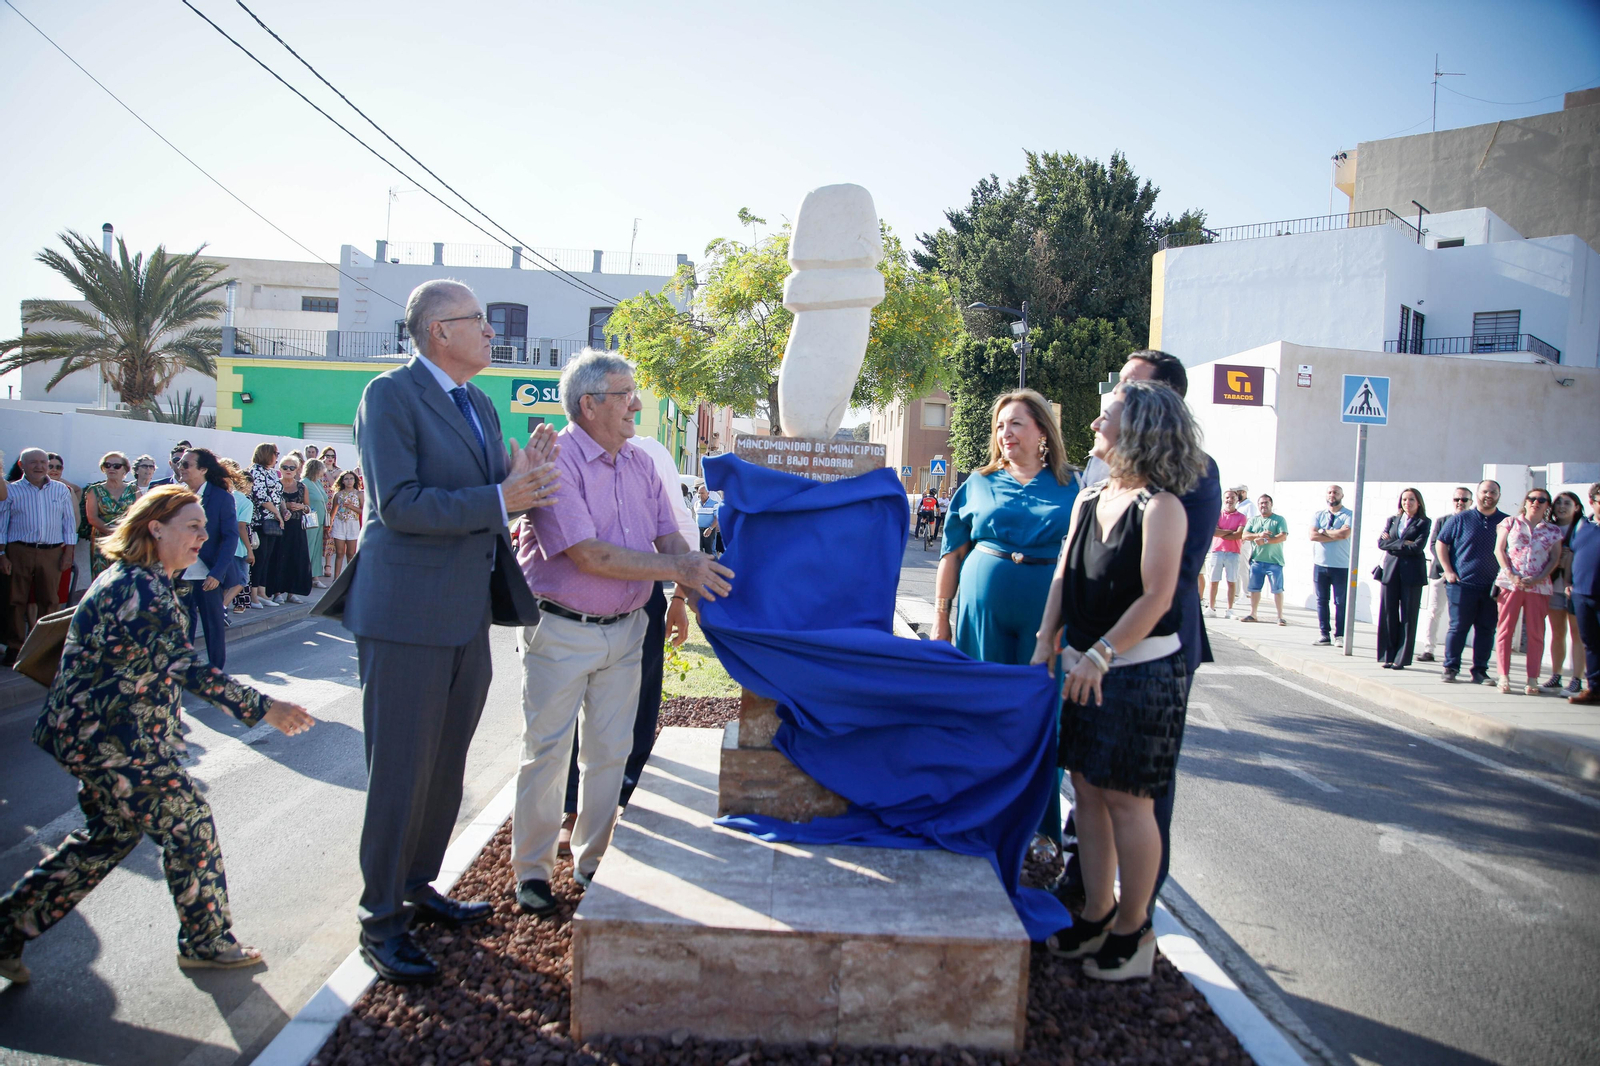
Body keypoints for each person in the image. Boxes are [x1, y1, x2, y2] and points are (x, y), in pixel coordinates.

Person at [0, 486, 314, 984]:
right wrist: (265, 708)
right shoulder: (142, 589)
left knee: (108, 838)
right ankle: (207, 941)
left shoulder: (136, 578)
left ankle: (6, 931)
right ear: (155, 528)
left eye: (204, 528)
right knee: (189, 821)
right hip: (113, 741)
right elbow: (185, 667)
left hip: (93, 735)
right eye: (192, 527)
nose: (203, 537)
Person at [342, 279, 559, 985]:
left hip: (464, 612)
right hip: (405, 614)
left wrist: (523, 476)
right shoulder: (390, 396)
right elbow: (399, 504)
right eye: (481, 322)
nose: (494, 333)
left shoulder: (480, 404)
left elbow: (495, 499)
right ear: (439, 330)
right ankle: (380, 920)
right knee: (401, 771)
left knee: (442, 767)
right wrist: (502, 495)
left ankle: (416, 886)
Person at [513, 349, 730, 915]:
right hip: (561, 631)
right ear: (589, 405)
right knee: (548, 753)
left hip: (628, 630)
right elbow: (590, 555)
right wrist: (679, 571)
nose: (637, 403)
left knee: (611, 751)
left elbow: (670, 539)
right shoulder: (554, 461)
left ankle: (591, 863)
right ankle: (532, 872)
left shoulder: (639, 463)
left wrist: (695, 580)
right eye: (625, 394)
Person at [1031, 379, 1206, 981]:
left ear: (1135, 430)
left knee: (1131, 804)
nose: (1093, 426)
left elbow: (1157, 597)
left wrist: (1100, 653)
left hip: (1138, 674)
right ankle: (1098, 913)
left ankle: (1136, 933)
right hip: (1082, 668)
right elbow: (1062, 574)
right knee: (1088, 794)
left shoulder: (1162, 508)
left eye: (1103, 418)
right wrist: (1045, 641)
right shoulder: (1089, 498)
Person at [934, 388, 1079, 849]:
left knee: (1039, 716)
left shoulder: (1071, 487)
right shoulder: (977, 483)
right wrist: (941, 619)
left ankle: (1038, 831)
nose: (1005, 433)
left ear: (1041, 432)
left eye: (1015, 423)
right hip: (981, 609)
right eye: (999, 425)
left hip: (1047, 614)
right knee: (981, 711)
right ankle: (977, 819)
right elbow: (951, 553)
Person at [549, 429, 700, 858]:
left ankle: (624, 794)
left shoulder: (650, 455)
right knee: (569, 712)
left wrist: (681, 598)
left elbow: (677, 527)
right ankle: (571, 810)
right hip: (574, 598)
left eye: (634, 397)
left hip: (642, 594)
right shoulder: (566, 453)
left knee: (636, 702)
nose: (632, 406)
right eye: (623, 396)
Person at [0, 447, 78, 661]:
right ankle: (15, 647)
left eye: (43, 462)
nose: (39, 466)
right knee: (16, 600)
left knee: (50, 600)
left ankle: (46, 647)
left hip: (51, 552)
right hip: (19, 551)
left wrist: (68, 552)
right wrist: (2, 555)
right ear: (21, 465)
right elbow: (2, 524)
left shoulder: (61, 490)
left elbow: (69, 523)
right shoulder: (11, 491)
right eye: (33, 462)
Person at [1435, 480, 1510, 684]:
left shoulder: (1506, 522)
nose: (1489, 495)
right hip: (1462, 584)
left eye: (1493, 492)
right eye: (1485, 491)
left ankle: (1480, 671)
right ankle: (1450, 667)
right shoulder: (1461, 518)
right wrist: (1448, 570)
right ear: (1477, 494)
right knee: (1458, 627)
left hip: (1493, 587)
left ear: (1499, 495)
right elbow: (1441, 542)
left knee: (1486, 629)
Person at [1492, 489, 1562, 695]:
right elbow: (1499, 550)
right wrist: (1511, 575)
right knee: (1505, 630)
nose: (1536, 503)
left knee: (1535, 633)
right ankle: (1503, 675)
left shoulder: (1552, 531)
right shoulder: (1510, 523)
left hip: (1538, 586)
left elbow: (1555, 558)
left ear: (1547, 505)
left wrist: (1540, 577)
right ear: (1526, 501)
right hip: (1510, 583)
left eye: (1542, 500)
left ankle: (1532, 678)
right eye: (1532, 499)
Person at [176, 448, 240, 669]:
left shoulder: (221, 497)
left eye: (186, 464)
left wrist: (217, 573)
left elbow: (230, 538)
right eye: (179, 463)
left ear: (203, 469)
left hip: (208, 574)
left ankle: (216, 673)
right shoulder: (176, 495)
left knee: (213, 626)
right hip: (180, 573)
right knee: (181, 626)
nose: (180, 468)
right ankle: (182, 670)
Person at [1375, 488, 1431, 669]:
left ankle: (1401, 658)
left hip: (1412, 574)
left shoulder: (1423, 522)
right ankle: (1387, 655)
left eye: (1411, 500)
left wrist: (1393, 543)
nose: (1407, 503)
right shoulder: (1393, 520)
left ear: (1418, 502)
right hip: (1390, 572)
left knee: (1408, 615)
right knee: (1388, 613)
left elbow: (1417, 547)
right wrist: (1401, 543)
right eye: (1404, 500)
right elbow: (1381, 543)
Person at [1417, 487, 1472, 662]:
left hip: (1464, 576)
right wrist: (1448, 566)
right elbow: (1434, 545)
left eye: (1464, 500)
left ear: (1471, 502)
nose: (1460, 503)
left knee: (1459, 616)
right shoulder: (1442, 521)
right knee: (1434, 610)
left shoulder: (1474, 522)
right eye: (1457, 499)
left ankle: (1454, 653)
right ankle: (1428, 649)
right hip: (1440, 572)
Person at [1542, 491, 1587, 694]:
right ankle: (1556, 675)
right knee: (1557, 632)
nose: (1561, 506)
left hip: (1576, 588)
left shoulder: (1584, 528)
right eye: (1558, 502)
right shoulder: (1548, 529)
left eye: (1567, 503)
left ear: (1577, 507)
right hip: (1553, 586)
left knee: (1577, 634)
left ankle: (1577, 678)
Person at [1566, 483, 1600, 704]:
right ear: (1592, 502)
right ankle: (1594, 689)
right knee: (1590, 642)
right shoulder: (1582, 526)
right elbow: (1571, 555)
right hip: (1581, 593)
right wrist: (1569, 582)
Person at [1309, 484, 1353, 646]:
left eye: (1336, 492)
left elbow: (1344, 534)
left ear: (1342, 495)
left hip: (1341, 566)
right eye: (1329, 492)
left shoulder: (1348, 514)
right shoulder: (1319, 515)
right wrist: (1331, 534)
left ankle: (1340, 635)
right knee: (1322, 600)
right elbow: (1312, 535)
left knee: (1340, 602)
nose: (1332, 495)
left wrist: (1323, 532)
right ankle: (1324, 634)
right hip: (1320, 565)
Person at [267, 457, 314, 604]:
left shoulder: (301, 487)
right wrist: (285, 505)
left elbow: (308, 508)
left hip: (296, 527)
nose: (288, 470)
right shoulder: (275, 485)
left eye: (292, 468)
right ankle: (277, 591)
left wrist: (300, 507)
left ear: (297, 470)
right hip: (278, 526)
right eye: (285, 467)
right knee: (277, 557)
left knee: (295, 557)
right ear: (280, 469)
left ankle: (292, 592)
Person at [84, 451, 138, 576]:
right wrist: (113, 533)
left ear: (125, 469)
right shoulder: (94, 490)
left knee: (126, 578)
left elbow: (139, 515)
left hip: (127, 541)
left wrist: (124, 534)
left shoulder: (134, 490)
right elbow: (92, 517)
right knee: (103, 578)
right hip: (103, 541)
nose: (111, 468)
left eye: (116, 466)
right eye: (107, 465)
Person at [247, 442, 285, 608]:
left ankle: (262, 591)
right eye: (275, 453)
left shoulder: (271, 472)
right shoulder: (256, 471)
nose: (277, 456)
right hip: (261, 520)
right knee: (259, 557)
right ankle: (253, 594)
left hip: (273, 520)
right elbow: (260, 496)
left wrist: (282, 511)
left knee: (267, 558)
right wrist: (277, 514)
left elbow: (278, 494)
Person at [1240, 495, 1289, 625]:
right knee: (1254, 589)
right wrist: (1258, 535)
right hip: (1257, 561)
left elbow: (1282, 536)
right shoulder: (1253, 520)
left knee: (1277, 590)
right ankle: (1253, 614)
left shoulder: (1278, 520)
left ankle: (1280, 616)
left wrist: (1265, 540)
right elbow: (1244, 535)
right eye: (1261, 503)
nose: (1264, 505)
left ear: (1271, 504)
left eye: (1266, 503)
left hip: (1274, 561)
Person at [219, 458, 255, 614]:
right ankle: (223, 606)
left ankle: (219, 605)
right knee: (241, 579)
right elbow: (242, 527)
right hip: (238, 547)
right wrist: (250, 550)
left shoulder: (227, 496)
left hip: (222, 543)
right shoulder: (246, 503)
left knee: (223, 580)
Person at [1207, 490, 1246, 618]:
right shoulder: (1217, 514)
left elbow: (1239, 534)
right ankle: (1211, 608)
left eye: (1232, 498)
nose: (1229, 500)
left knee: (1231, 581)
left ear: (1237, 500)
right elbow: (1214, 532)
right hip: (1217, 551)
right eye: (1227, 497)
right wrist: (1230, 532)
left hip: (1233, 553)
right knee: (1213, 581)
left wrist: (1223, 532)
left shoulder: (1241, 517)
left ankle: (1230, 610)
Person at [328, 470, 362, 581]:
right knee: (339, 552)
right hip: (339, 523)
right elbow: (333, 511)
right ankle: (336, 579)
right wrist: (329, 524)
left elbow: (363, 511)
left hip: (353, 524)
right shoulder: (338, 495)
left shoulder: (359, 494)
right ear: (342, 481)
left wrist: (351, 506)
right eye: (346, 479)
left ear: (355, 480)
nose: (349, 481)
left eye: (351, 478)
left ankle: (350, 579)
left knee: (351, 553)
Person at [302, 458, 330, 587]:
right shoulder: (304, 483)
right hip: (310, 520)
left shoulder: (317, 483)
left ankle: (315, 576)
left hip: (320, 520)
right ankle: (304, 575)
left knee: (317, 548)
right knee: (309, 547)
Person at [695, 483, 722, 555]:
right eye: (699, 493)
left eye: (703, 493)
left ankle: (713, 566)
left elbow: (717, 518)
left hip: (710, 530)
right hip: (699, 530)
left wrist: (710, 528)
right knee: (699, 551)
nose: (701, 495)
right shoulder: (697, 504)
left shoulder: (714, 504)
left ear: (708, 493)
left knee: (710, 551)